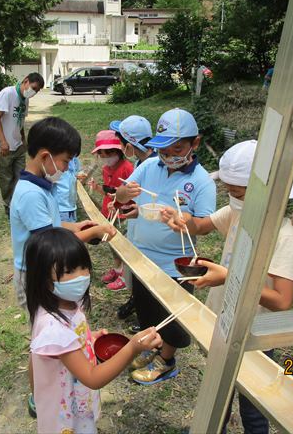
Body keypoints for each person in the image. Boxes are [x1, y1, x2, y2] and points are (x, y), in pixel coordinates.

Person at [164, 140, 293, 433]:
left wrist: (229, 277)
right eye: (229, 190)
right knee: (219, 387)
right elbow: (203, 226)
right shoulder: (239, 212)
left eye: (236, 192)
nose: (231, 197)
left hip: (255, 332)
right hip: (227, 320)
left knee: (253, 402)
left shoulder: (282, 236)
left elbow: (282, 301)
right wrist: (184, 222)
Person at [9, 116, 116, 417]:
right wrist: (91, 234)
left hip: (47, 273)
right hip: (39, 276)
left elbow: (53, 227)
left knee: (57, 331)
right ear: (45, 157)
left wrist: (74, 225)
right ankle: (38, 394)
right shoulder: (31, 194)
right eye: (66, 161)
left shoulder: (40, 185)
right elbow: (51, 249)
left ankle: (56, 374)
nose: (68, 168)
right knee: (42, 335)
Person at [25, 227, 163, 434]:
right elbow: (93, 377)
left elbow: (35, 358)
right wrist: (133, 348)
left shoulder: (64, 303)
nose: (81, 276)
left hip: (73, 397)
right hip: (64, 414)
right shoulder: (53, 328)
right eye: (69, 271)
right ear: (43, 278)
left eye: (83, 267)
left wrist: (87, 337)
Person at [115, 108, 216, 385]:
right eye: (163, 148)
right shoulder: (149, 166)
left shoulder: (201, 182)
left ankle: (167, 360)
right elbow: (129, 198)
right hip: (140, 256)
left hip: (174, 263)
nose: (169, 155)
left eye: (177, 147)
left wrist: (187, 222)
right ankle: (153, 349)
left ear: (195, 143)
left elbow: (206, 224)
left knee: (171, 317)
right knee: (147, 311)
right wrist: (124, 197)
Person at [109, 115, 156, 321]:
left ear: (129, 145)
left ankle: (146, 312)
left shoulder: (154, 165)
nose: (119, 147)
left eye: (120, 143)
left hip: (151, 232)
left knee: (148, 276)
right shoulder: (140, 161)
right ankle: (136, 300)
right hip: (138, 226)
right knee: (135, 272)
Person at [0, 73, 44, 216]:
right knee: (6, 177)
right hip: (1, 146)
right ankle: (9, 206)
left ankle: (18, 204)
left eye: (36, 91)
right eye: (34, 88)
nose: (34, 93)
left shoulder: (25, 100)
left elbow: (20, 122)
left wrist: (23, 140)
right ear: (25, 81)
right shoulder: (7, 93)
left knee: (21, 177)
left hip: (17, 145)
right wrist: (3, 141)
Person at [87, 130, 133, 291]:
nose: (106, 156)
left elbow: (132, 196)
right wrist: (98, 188)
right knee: (112, 244)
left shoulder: (127, 169)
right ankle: (118, 269)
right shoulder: (107, 169)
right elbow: (110, 192)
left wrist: (121, 204)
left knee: (122, 245)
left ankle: (125, 276)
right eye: (102, 153)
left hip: (123, 216)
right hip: (109, 215)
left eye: (109, 152)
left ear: (119, 151)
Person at [53, 156, 81, 222]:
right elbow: (52, 179)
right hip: (60, 208)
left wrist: (77, 175)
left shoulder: (74, 159)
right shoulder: (56, 162)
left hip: (72, 206)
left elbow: (76, 173)